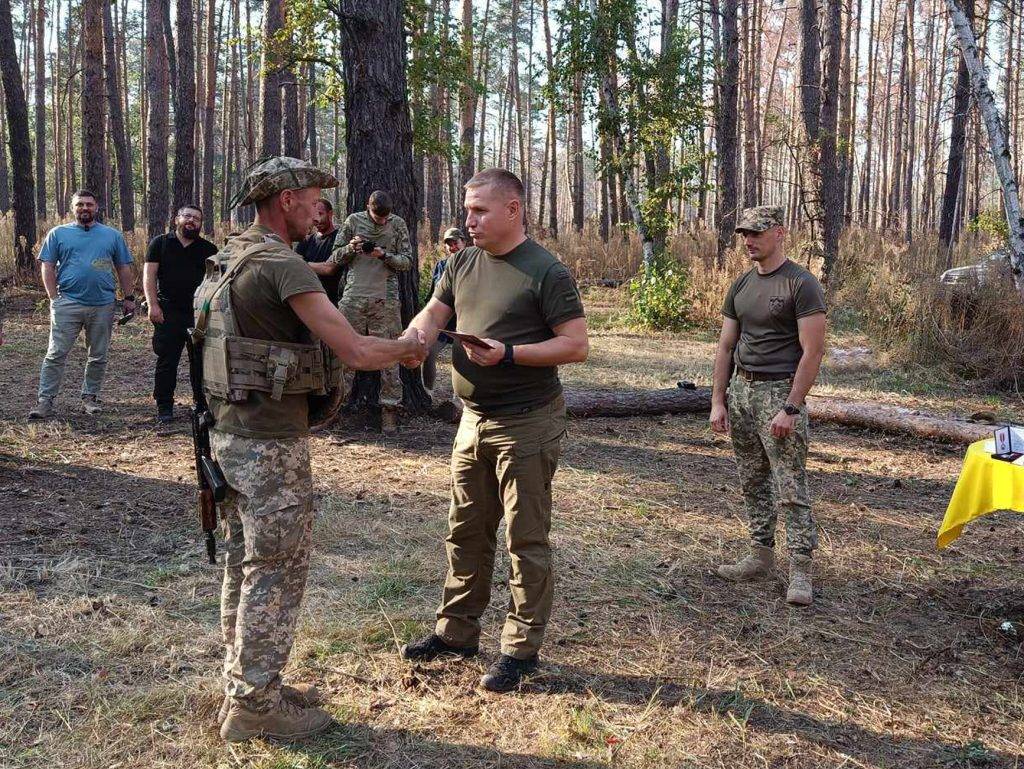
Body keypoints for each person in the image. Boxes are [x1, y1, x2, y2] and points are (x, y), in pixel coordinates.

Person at [202, 157, 425, 743]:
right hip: (268, 442)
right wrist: (407, 346)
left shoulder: (232, 254)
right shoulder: (281, 264)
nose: (319, 209)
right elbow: (352, 349)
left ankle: (249, 685)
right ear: (284, 202)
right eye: (311, 199)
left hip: (227, 432)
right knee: (276, 570)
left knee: (243, 562)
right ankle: (255, 709)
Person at [399, 169, 589, 693]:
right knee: (465, 531)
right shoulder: (461, 261)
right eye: (467, 209)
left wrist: (509, 354)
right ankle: (456, 632)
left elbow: (575, 345)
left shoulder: (546, 272)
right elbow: (434, 313)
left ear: (513, 210)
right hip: (472, 420)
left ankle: (520, 649)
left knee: (525, 538)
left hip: (527, 422)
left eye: (480, 210)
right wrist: (411, 338)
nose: (469, 219)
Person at [708, 205, 827, 607]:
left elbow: (813, 353)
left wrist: (791, 408)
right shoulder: (741, 285)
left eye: (757, 233)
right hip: (742, 393)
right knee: (752, 479)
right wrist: (718, 400)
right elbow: (725, 346)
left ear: (780, 233)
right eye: (745, 234)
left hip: (780, 394)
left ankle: (800, 569)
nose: (749, 241)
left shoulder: (801, 283)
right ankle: (760, 556)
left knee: (790, 484)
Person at [309, 190, 411, 434]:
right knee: (343, 355)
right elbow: (334, 257)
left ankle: (389, 412)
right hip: (353, 297)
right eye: (377, 217)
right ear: (368, 207)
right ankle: (334, 409)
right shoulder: (353, 221)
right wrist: (351, 248)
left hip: (385, 300)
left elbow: (406, 261)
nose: (381, 222)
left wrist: (383, 254)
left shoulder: (397, 224)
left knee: (389, 356)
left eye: (384, 218)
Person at [29, 190, 135, 419]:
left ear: (97, 207)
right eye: (80, 205)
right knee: (55, 353)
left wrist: (129, 298)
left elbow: (123, 268)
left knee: (98, 354)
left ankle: (90, 397)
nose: (84, 208)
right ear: (72, 208)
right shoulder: (58, 233)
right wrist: (53, 297)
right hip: (67, 303)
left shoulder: (112, 235)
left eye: (89, 204)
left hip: (103, 304)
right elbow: (47, 265)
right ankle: (45, 401)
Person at [143, 205, 218, 423]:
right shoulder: (160, 243)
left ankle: (201, 404)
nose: (191, 221)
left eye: (196, 218)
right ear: (177, 219)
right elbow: (149, 276)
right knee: (167, 359)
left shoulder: (209, 249)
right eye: (187, 216)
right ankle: (164, 406)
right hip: (168, 311)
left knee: (200, 361)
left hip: (199, 313)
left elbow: (215, 282)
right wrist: (153, 305)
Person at [421, 226, 466, 398]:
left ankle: (459, 397)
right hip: (442, 322)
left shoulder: (473, 265)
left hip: (463, 322)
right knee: (429, 352)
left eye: (455, 243)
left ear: (464, 243)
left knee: (460, 359)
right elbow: (433, 295)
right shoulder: (440, 265)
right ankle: (427, 392)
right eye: (448, 244)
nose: (452, 247)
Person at [296, 197, 342, 304]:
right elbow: (296, 268)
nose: (317, 219)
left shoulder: (340, 238)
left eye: (320, 214)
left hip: (333, 301)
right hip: (308, 299)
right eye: (314, 215)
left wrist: (303, 265)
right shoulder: (306, 240)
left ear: (330, 214)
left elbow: (330, 269)